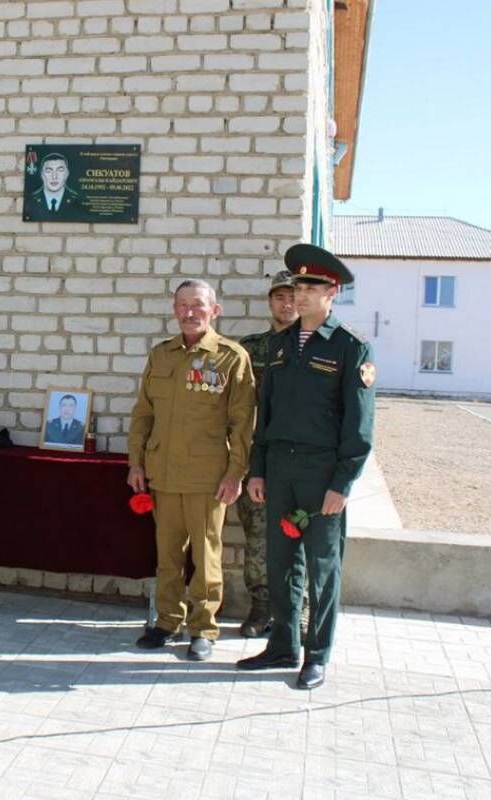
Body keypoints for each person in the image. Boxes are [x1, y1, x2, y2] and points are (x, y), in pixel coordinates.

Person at [237, 244, 376, 690]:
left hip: (321, 475)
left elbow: (360, 427)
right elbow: (266, 414)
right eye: (297, 285)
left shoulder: (350, 347)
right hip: (279, 469)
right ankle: (282, 644)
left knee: (322, 566)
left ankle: (316, 654)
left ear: (332, 292)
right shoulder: (279, 345)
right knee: (280, 563)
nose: (299, 294)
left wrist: (343, 483)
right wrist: (257, 469)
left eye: (310, 286)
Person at [127, 280, 255, 660]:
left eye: (198, 305)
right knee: (167, 554)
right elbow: (143, 413)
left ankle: (204, 628)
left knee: (206, 554)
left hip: (208, 478)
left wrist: (236, 473)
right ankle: (167, 621)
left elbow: (243, 423)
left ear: (214, 311)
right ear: (173, 309)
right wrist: (136, 462)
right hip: (163, 473)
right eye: (182, 305)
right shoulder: (161, 354)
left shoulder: (231, 358)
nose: (189, 312)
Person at [234, 270, 304, 638]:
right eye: (279, 297)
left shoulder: (315, 347)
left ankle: (297, 611)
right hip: (256, 461)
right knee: (258, 538)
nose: (287, 303)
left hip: (298, 462)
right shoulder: (250, 349)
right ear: (270, 302)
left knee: (300, 535)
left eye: (293, 296)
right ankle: (261, 609)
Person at [26, 152, 84, 218]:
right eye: (49, 171)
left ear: (67, 174)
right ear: (42, 174)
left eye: (60, 170)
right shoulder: (31, 200)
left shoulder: (78, 200)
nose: (54, 176)